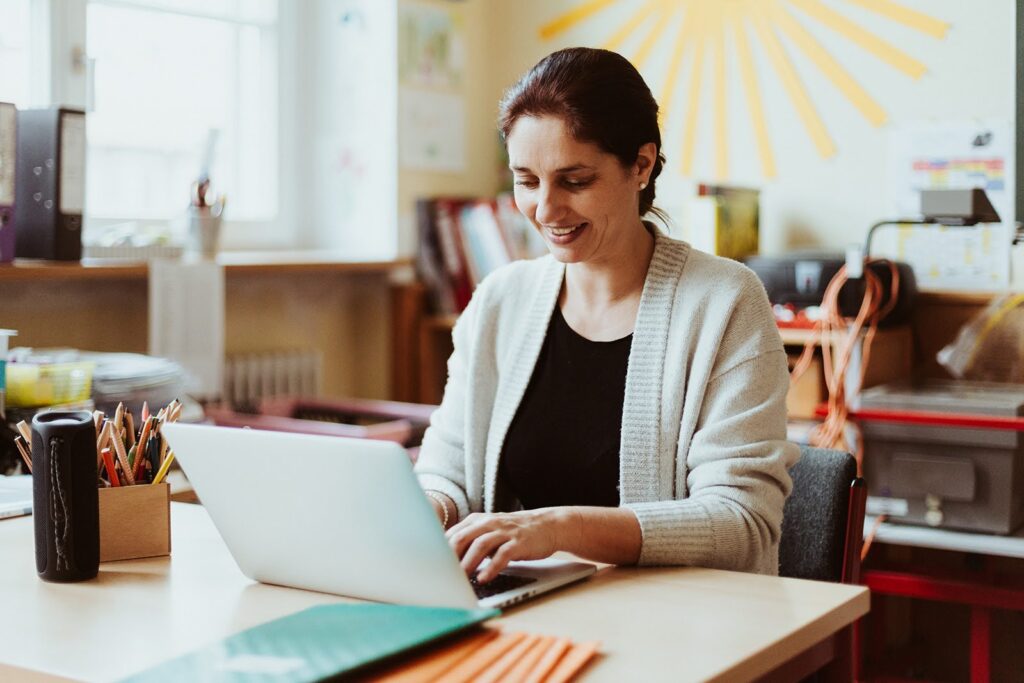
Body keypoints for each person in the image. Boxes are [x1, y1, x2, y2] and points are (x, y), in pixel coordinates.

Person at [415, 47, 799, 584]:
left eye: (575, 181)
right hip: (519, 608)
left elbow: (740, 523)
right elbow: (447, 470)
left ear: (641, 165)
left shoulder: (726, 302)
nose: (545, 211)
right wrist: (429, 510)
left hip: (678, 624)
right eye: (526, 182)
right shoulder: (500, 300)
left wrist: (557, 528)